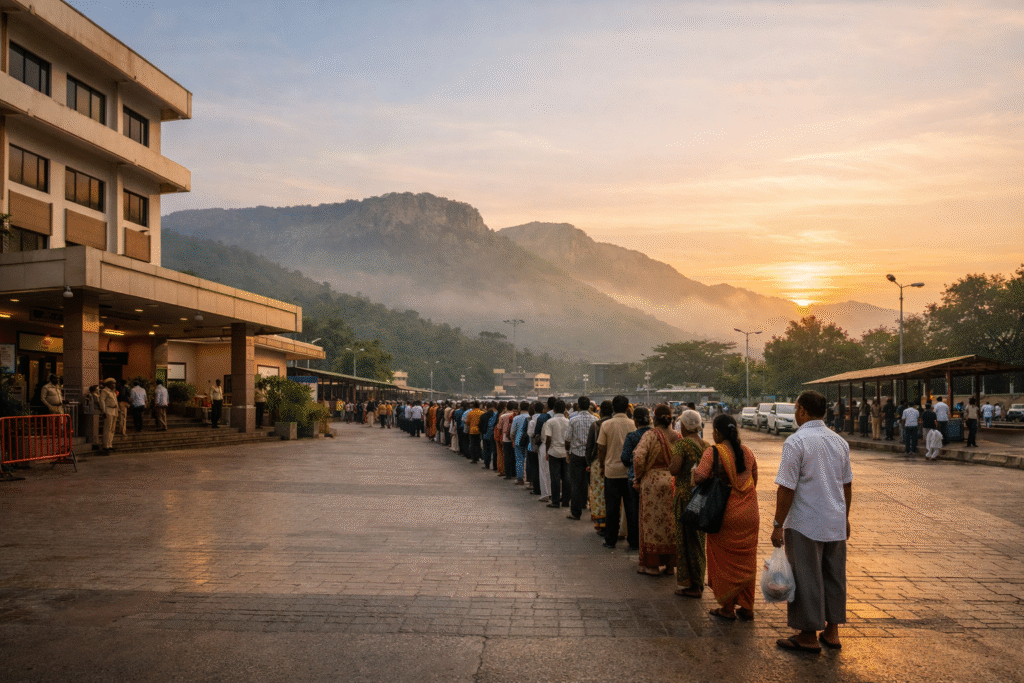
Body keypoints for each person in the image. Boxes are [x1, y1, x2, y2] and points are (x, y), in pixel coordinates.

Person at [771, 390, 852, 653]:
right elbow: (847, 483)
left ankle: (807, 634)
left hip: (806, 521)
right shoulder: (839, 442)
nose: (795, 413)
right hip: (835, 521)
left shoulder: (797, 442)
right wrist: (845, 517)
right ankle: (832, 631)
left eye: (796, 409)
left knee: (806, 576)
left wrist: (777, 524)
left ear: (803, 411)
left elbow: (786, 487)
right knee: (833, 576)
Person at [695, 414, 759, 622]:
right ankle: (747, 607)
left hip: (724, 514)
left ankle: (727, 608)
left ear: (716, 433)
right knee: (746, 560)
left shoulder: (713, 452)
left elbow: (700, 477)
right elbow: (754, 479)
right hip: (749, 513)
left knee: (724, 561)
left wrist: (693, 472)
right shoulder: (747, 452)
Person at [631, 404, 679, 577]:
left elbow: (638, 457)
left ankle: (651, 566)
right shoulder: (677, 436)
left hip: (652, 483)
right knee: (670, 523)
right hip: (673, 482)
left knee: (651, 524)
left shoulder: (650, 435)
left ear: (655, 418)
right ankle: (670, 566)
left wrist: (638, 477)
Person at [670, 409, 711, 598]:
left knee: (685, 539)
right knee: (698, 540)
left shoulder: (682, 444)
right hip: (701, 498)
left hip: (685, 497)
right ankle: (699, 580)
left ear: (684, 426)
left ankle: (691, 584)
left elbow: (675, 469)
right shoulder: (706, 445)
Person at [597, 395, 638, 550]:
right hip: (629, 471)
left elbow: (601, 448)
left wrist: (601, 466)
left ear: (613, 408)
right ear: (628, 407)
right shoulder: (634, 424)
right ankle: (633, 541)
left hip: (611, 471)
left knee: (612, 507)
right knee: (630, 508)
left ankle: (610, 539)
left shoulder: (606, 424)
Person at [564, 396, 596, 520]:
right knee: (591, 484)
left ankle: (576, 512)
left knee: (576, 484)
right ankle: (593, 510)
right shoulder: (595, 419)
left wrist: (568, 452)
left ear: (578, 405)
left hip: (576, 455)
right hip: (591, 456)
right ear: (589, 406)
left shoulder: (573, 419)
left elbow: (567, 439)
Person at [586, 400, 613, 535]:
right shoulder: (617, 424)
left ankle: (602, 522)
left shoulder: (596, 425)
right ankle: (615, 522)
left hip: (598, 462)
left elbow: (589, 446)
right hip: (614, 461)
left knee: (598, 493)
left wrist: (588, 462)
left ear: (601, 411)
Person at [542, 399, 571, 508]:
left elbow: (548, 438)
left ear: (553, 409)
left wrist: (547, 451)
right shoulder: (568, 422)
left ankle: (555, 501)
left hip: (554, 452)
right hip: (565, 452)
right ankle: (565, 501)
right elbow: (569, 439)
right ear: (564, 409)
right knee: (566, 478)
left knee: (555, 478)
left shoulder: (550, 422)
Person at [100, 378, 119, 453]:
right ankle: (105, 445)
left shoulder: (113, 392)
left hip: (114, 410)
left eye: (114, 384)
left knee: (112, 429)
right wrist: (103, 411)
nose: (114, 385)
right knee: (107, 428)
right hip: (108, 410)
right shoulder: (105, 391)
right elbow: (102, 401)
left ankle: (110, 444)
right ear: (108, 385)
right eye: (112, 384)